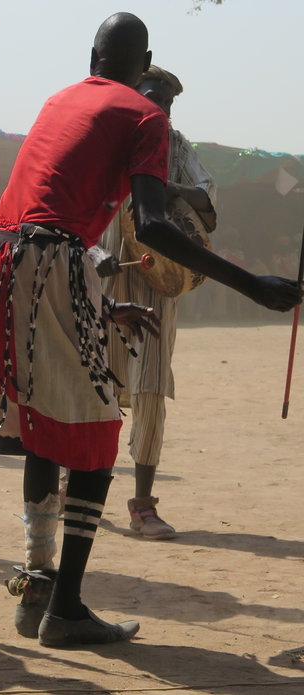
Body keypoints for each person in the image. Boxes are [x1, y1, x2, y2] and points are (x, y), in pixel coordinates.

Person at [0, 13, 302, 647]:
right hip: (49, 262)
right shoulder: (147, 120)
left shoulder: (59, 99)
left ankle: (37, 586)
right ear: (144, 62)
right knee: (95, 429)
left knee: (39, 426)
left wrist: (97, 296)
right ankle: (63, 608)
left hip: (1, 260)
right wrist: (251, 284)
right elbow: (150, 224)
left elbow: (44, 208)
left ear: (92, 55)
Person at [97, 65, 216, 540]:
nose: (158, 109)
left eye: (166, 104)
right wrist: (91, 252)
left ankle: (142, 505)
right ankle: (70, 485)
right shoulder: (105, 135)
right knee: (95, 380)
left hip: (157, 279)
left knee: (148, 386)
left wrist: (172, 190)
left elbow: (208, 198)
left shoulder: (175, 144)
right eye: (151, 98)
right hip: (102, 275)